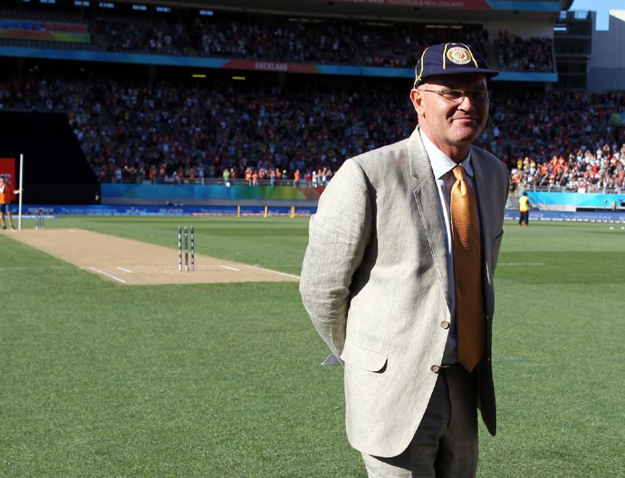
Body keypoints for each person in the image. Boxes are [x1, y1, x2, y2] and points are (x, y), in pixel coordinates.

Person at [300, 42, 509, 477]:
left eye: (478, 91)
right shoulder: (367, 175)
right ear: (418, 100)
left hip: (466, 384)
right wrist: (371, 359)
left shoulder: (493, 175)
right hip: (394, 395)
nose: (467, 103)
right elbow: (321, 289)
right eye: (450, 92)